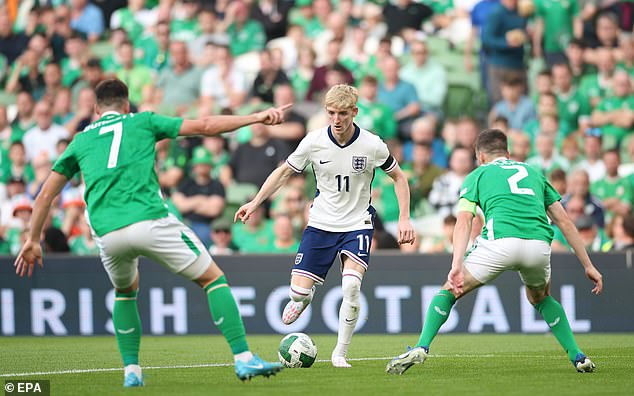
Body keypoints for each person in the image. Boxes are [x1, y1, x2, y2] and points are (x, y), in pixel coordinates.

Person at [14, 79, 291, 386]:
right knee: (213, 279)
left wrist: (33, 239)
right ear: (127, 106)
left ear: (95, 109)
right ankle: (243, 358)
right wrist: (256, 117)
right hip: (149, 220)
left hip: (106, 233)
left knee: (125, 292)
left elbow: (44, 196)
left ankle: (132, 372)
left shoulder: (79, 140)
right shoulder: (143, 121)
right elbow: (207, 125)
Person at [386, 129, 603, 375]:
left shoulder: (477, 175)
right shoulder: (533, 173)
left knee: (449, 291)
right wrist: (588, 265)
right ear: (508, 153)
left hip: (499, 243)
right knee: (541, 298)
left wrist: (456, 264)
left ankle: (422, 346)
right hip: (539, 244)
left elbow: (464, 221)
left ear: (480, 156)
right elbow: (565, 222)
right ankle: (577, 355)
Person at [235, 84, 415, 368]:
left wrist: (404, 217)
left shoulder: (372, 144)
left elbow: (399, 178)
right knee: (297, 292)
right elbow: (283, 173)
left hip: (357, 223)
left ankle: (340, 353)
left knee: (351, 286)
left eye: (343, 113)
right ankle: (303, 298)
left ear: (354, 112)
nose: (337, 119)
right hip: (320, 224)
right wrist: (255, 202)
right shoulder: (313, 141)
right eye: (331, 112)